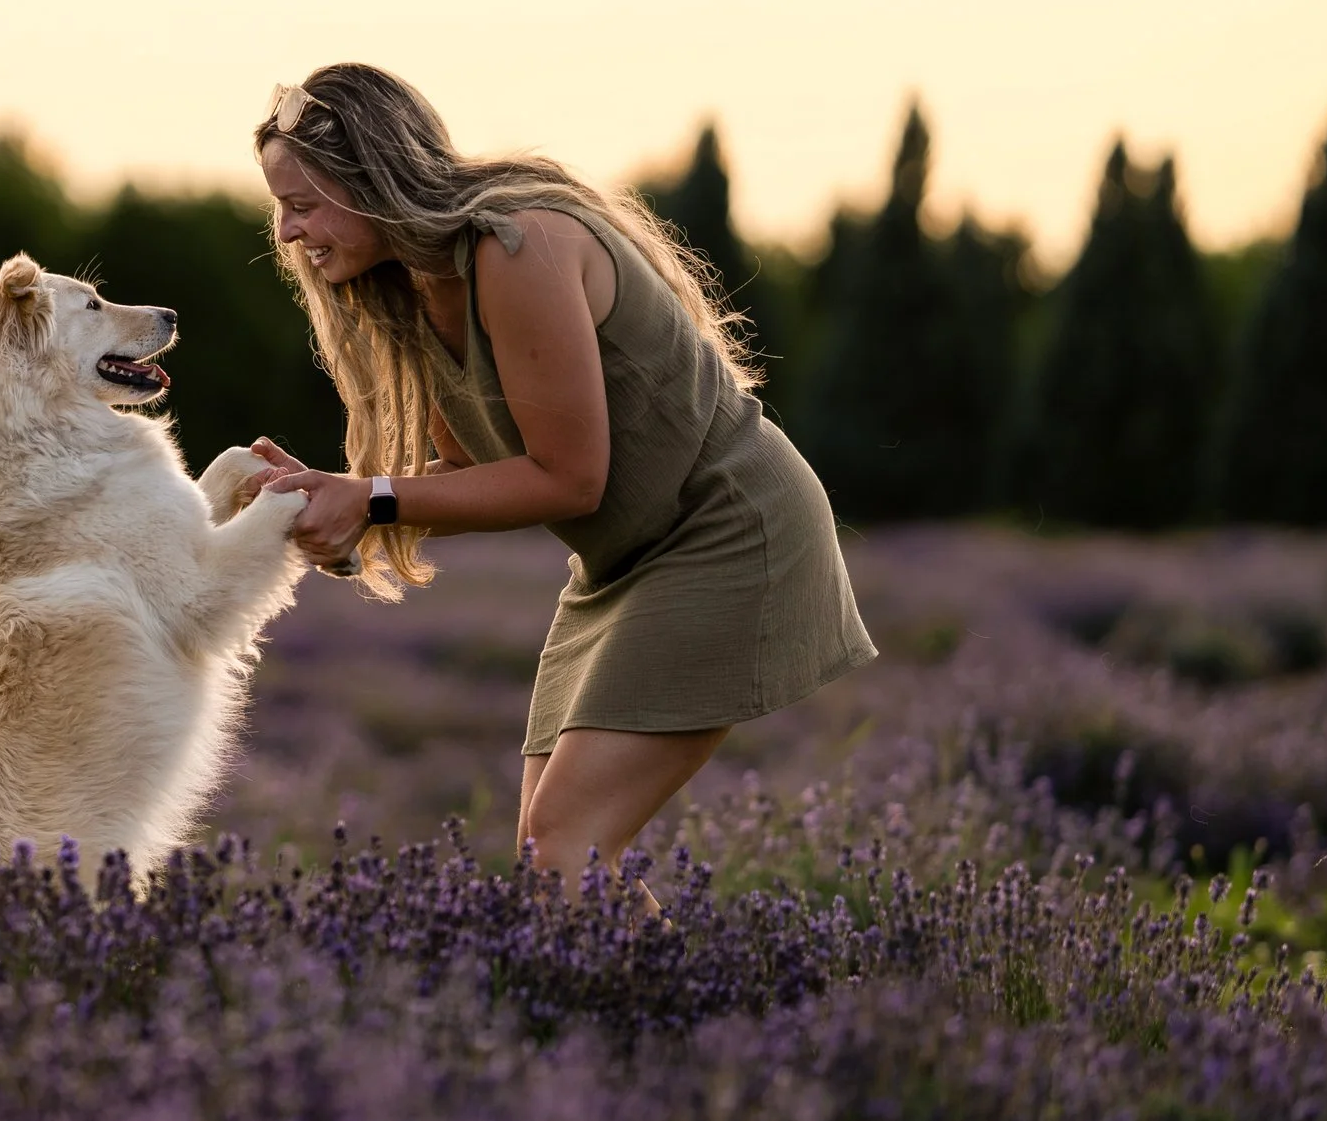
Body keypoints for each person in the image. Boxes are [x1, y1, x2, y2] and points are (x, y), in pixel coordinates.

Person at [249, 64, 876, 902]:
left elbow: (571, 480)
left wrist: (373, 500)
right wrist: (336, 496)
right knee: (553, 862)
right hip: (619, 565)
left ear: (369, 179)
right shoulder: (413, 292)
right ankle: (676, 995)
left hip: (725, 529)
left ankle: (702, 996)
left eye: (302, 203)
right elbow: (473, 474)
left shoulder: (518, 247)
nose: (288, 232)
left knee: (563, 848)